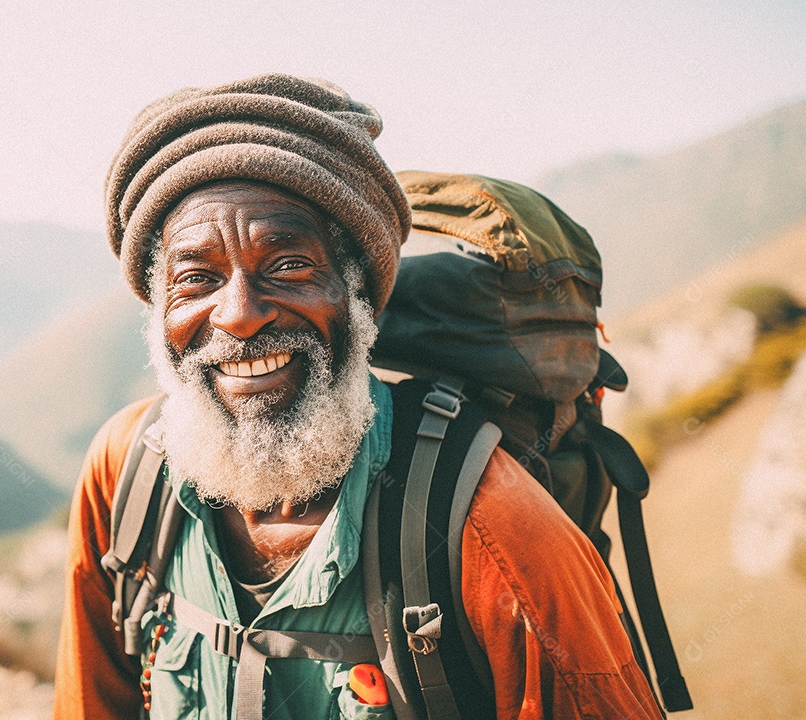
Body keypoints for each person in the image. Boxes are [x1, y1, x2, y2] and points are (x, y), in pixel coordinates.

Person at [54, 74, 662, 720]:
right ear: (160, 311)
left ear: (358, 294)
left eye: (288, 265)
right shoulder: (126, 478)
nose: (237, 315)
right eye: (196, 279)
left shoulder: (494, 530)